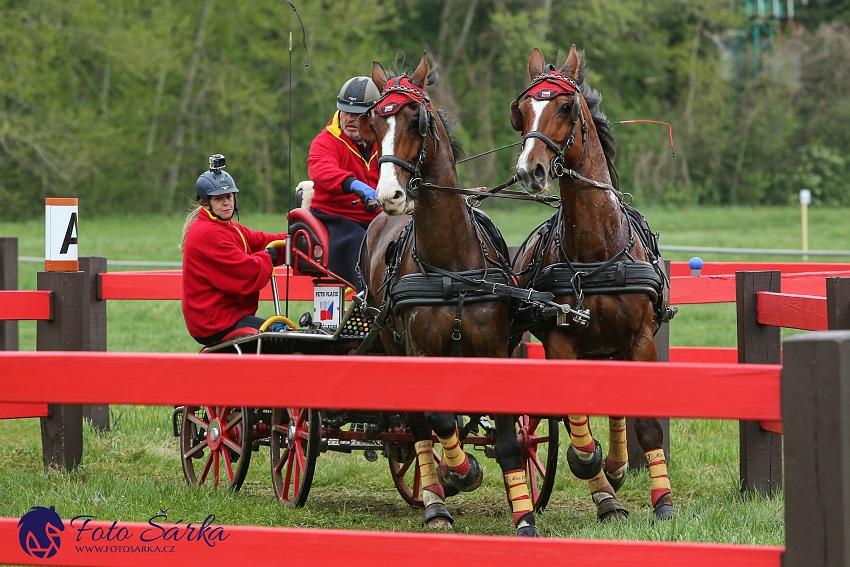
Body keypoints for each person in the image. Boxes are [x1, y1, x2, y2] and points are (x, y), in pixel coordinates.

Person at [181, 154, 287, 346]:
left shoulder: (228, 227)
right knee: (280, 340)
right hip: (216, 323)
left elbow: (262, 241)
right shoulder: (207, 233)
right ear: (205, 203)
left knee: (284, 336)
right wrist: (267, 258)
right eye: (219, 198)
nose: (227, 203)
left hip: (228, 316)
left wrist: (294, 241)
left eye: (229, 196)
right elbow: (245, 272)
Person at [306, 76, 382, 289]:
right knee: (360, 244)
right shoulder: (326, 141)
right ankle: (369, 303)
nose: (350, 118)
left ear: (373, 114)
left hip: (379, 219)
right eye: (346, 112)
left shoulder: (385, 142)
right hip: (335, 219)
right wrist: (354, 185)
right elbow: (322, 170)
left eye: (358, 114)